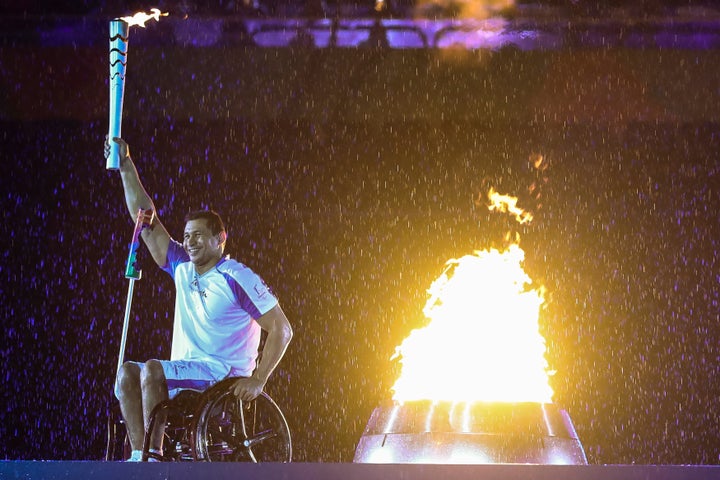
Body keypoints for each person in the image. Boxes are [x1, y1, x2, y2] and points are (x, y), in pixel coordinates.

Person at [105, 136, 293, 462]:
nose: (189, 242)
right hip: (185, 370)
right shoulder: (182, 266)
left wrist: (259, 379)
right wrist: (125, 166)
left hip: (222, 373)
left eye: (199, 236)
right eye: (187, 235)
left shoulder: (236, 277)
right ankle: (139, 456)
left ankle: (154, 454)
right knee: (126, 374)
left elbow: (282, 329)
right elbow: (145, 217)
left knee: (151, 370)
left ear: (219, 239)